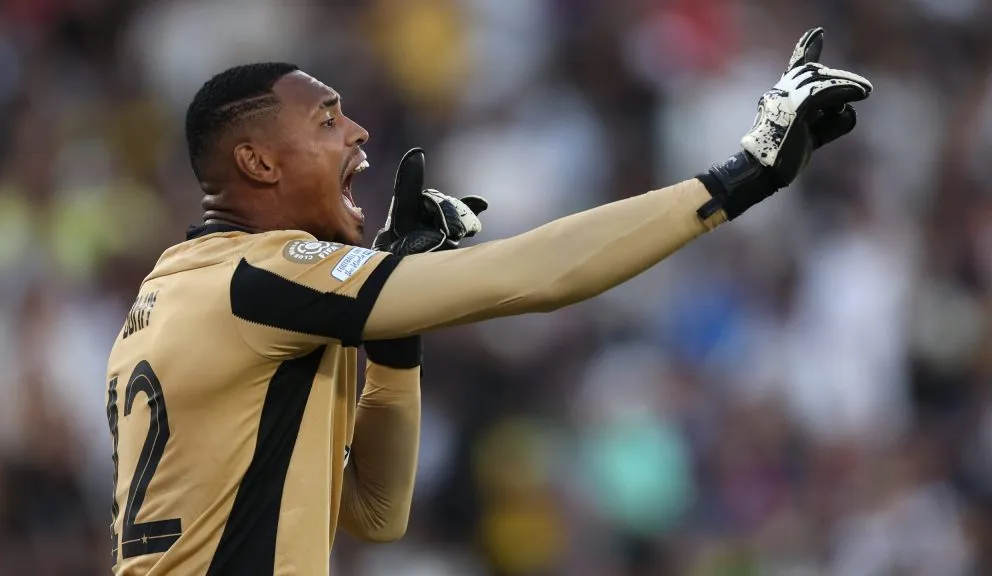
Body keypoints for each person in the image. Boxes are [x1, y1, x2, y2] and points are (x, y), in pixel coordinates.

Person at [104, 27, 871, 576]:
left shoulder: (178, 295)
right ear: (257, 161)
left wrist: (397, 332)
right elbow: (527, 277)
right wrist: (740, 178)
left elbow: (378, 514)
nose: (358, 132)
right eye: (328, 118)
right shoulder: (263, 276)